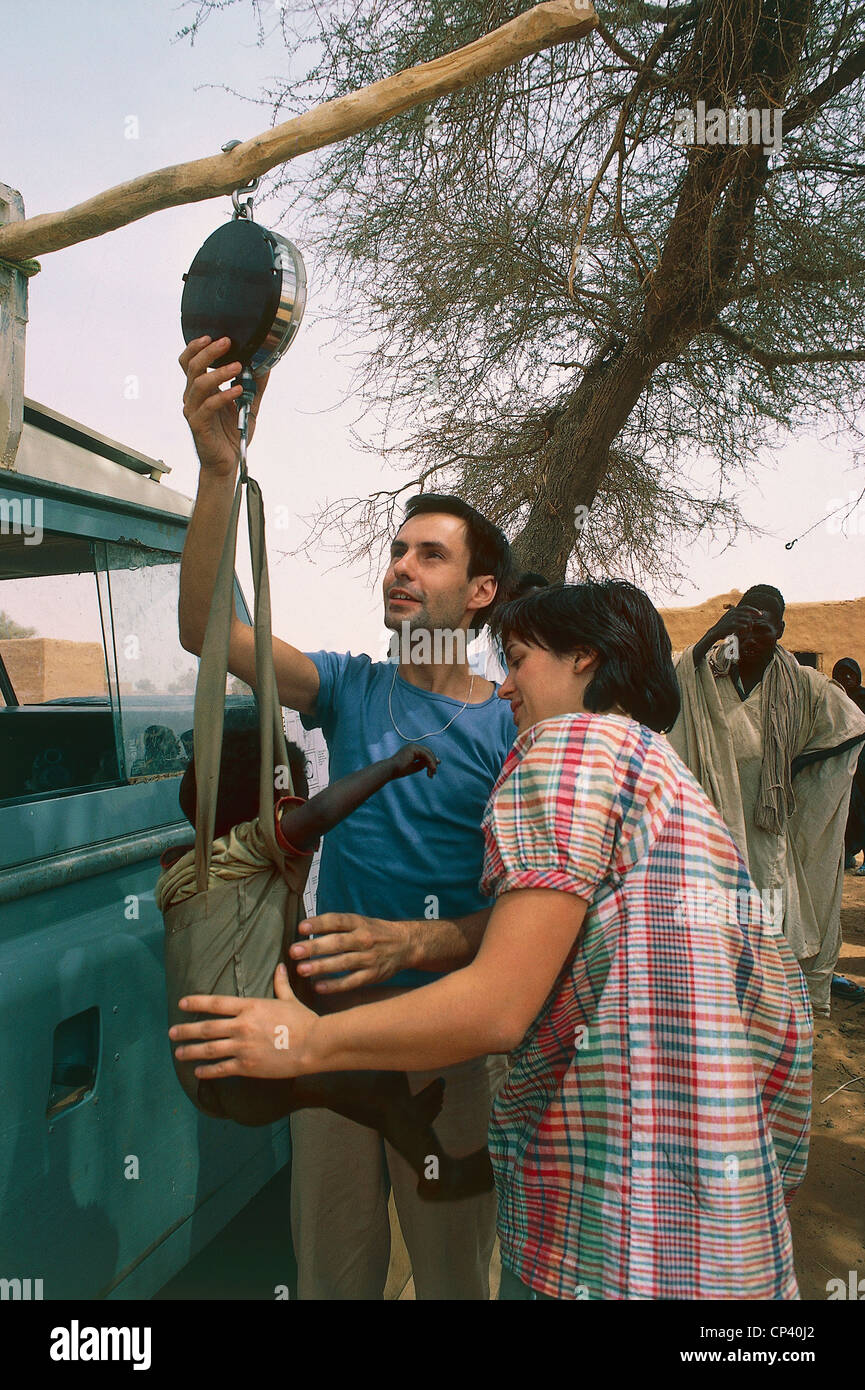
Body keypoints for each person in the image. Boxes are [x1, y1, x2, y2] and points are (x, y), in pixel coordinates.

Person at [170, 580, 813, 1301]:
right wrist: (420, 944)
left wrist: (303, 1043)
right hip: (719, 1227)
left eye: (518, 660)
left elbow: (500, 1008)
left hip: (607, 1230)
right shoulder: (658, 770)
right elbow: (769, 1007)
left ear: (583, 658)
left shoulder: (560, 754)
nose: (505, 686)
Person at [177, 336, 516, 1300]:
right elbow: (205, 628)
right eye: (396, 551)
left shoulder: (512, 726)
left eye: (430, 555)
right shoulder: (349, 689)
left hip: (446, 1046)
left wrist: (417, 941)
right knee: (331, 1273)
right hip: (322, 1034)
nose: (400, 568)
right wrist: (215, 471)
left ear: (479, 592)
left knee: (454, 1275)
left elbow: (544, 915)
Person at [668, 586, 865, 1017]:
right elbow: (661, 696)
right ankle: (713, 1014)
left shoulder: (801, 684)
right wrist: (708, 638)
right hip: (710, 832)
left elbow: (850, 724)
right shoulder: (701, 670)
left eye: (764, 627)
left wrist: (793, 773)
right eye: (744, 624)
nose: (753, 636)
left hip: (764, 832)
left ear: (781, 630)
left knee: (766, 931)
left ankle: (764, 1016)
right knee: (709, 933)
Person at [832, 658, 865, 876]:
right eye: (841, 674)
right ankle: (848, 854)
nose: (846, 678)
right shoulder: (834, 699)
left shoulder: (863, 697)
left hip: (863, 762)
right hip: (843, 763)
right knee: (847, 809)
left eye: (850, 674)